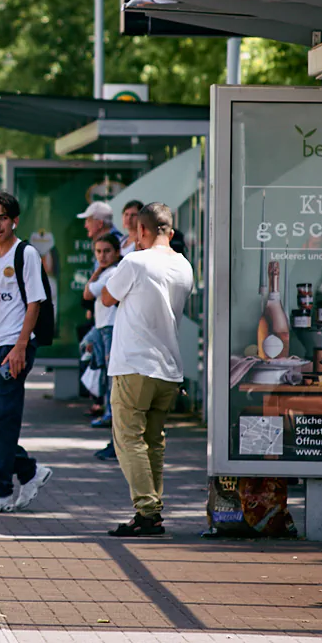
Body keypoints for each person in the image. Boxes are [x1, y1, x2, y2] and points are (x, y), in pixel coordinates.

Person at [99, 200, 194, 536]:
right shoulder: (184, 267)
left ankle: (147, 511)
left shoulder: (135, 262)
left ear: (141, 230)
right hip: (168, 368)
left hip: (134, 364)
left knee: (129, 439)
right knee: (154, 441)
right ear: (169, 228)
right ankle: (153, 510)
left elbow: (107, 298)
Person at [0, 191, 53, 514]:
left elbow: (35, 302)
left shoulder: (25, 254)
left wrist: (20, 346)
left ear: (14, 220)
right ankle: (28, 470)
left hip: (12, 345)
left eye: (3, 217)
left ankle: (0, 490)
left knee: (2, 417)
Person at [82, 231, 123, 434]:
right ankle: (107, 410)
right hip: (102, 327)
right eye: (98, 251)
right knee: (102, 368)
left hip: (111, 327)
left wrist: (97, 271)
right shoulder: (105, 271)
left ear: (117, 252)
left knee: (110, 374)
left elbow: (89, 292)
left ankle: (111, 413)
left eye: (107, 251)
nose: (102, 256)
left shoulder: (113, 272)